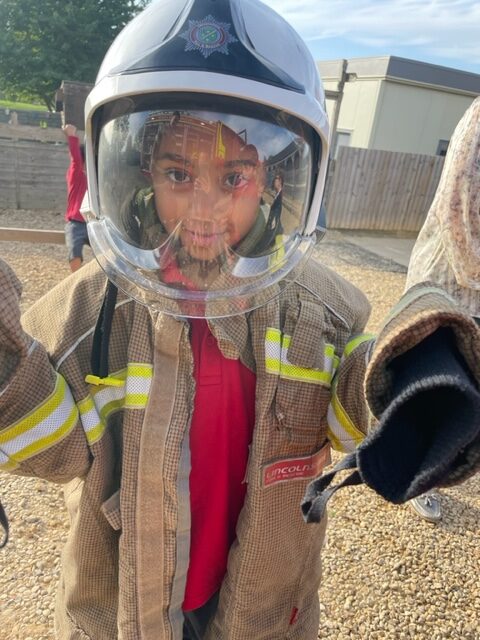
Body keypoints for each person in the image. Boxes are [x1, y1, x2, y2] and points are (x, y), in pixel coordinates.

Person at [1, 2, 480, 639]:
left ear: (277, 180)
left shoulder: (315, 304)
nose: (203, 206)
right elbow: (56, 445)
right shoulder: (93, 309)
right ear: (135, 169)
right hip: (125, 608)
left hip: (265, 604)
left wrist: (415, 376)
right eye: (178, 172)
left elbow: (342, 404)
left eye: (234, 175)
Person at [405, 96, 480, 523]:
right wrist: (475, 272)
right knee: (436, 386)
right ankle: (421, 477)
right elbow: (460, 203)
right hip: (450, 282)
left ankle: (437, 468)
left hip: (474, 290)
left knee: (467, 392)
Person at [62, 123, 89, 272]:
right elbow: (76, 160)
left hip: (92, 221)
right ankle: (75, 277)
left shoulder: (94, 178)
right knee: (74, 250)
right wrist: (72, 136)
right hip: (75, 223)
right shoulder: (76, 174)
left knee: (106, 249)